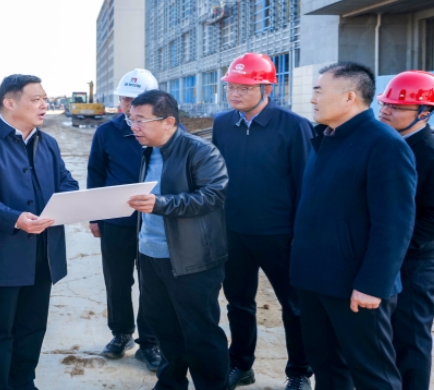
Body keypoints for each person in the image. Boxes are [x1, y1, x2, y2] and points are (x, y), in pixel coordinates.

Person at [291, 62, 416, 389]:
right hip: (316, 278)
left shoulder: (384, 144)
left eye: (319, 91)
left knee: (374, 374)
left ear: (349, 97)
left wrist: (373, 284)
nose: (313, 98)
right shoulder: (325, 137)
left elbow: (394, 224)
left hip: (356, 286)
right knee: (328, 369)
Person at [0, 74, 79, 390]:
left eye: (45, 99)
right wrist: (15, 218)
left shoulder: (47, 143)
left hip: (44, 250)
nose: (44, 105)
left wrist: (65, 204)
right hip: (0, 252)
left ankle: (24, 382)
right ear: (9, 103)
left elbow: (66, 181)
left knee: (33, 325)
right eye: (36, 99)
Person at [212, 53, 313, 390]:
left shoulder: (294, 126)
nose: (234, 93)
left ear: (267, 88)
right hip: (234, 232)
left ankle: (299, 372)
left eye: (244, 87)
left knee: (295, 306)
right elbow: (217, 177)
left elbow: (305, 184)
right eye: (231, 87)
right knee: (238, 303)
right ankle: (241, 365)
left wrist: (302, 236)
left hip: (280, 235)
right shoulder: (223, 124)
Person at [127, 90, 229, 390]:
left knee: (200, 332)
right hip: (151, 254)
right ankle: (171, 383)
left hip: (191, 257)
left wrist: (161, 204)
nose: (133, 127)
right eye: (131, 119)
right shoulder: (148, 151)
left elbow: (213, 195)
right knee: (163, 326)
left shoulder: (201, 151)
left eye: (140, 120)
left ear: (169, 121)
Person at [86, 68, 162, 370]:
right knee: (117, 280)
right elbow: (95, 173)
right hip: (115, 220)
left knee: (152, 284)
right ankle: (121, 333)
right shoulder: (107, 132)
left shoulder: (165, 130)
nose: (129, 105)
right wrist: (95, 215)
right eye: (125, 99)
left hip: (155, 222)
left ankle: (150, 342)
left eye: (136, 100)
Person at [376, 71, 434, 390]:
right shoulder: (385, 143)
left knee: (410, 336)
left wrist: (395, 248)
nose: (385, 111)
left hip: (414, 261)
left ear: (424, 113)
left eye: (397, 107)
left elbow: (431, 219)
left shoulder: (428, 152)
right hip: (384, 255)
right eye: (384, 104)